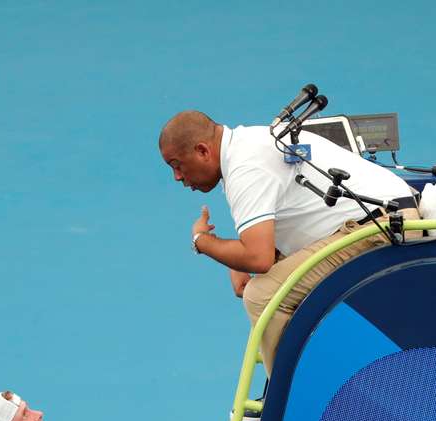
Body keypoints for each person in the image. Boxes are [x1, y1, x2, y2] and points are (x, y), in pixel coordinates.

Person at [159, 110, 420, 375]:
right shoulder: (245, 146)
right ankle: (309, 377)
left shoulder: (244, 167)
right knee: (272, 281)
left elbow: (258, 259)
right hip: (374, 220)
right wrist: (235, 260)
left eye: (176, 165)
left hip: (382, 227)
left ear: (203, 151)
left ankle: (288, 408)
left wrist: (201, 241)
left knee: (261, 296)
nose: (177, 177)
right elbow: (263, 245)